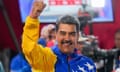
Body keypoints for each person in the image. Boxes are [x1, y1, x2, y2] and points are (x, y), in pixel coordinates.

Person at [22, 0, 96, 72]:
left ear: (77, 37)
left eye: (72, 34)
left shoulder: (87, 63)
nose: (67, 38)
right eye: (63, 33)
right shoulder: (45, 58)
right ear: (56, 35)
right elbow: (30, 49)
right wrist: (33, 19)